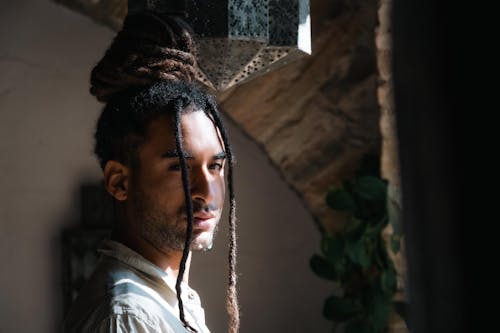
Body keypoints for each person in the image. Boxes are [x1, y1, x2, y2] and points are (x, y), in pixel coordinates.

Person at [64, 11, 239, 333]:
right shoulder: (128, 316)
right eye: (179, 168)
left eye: (215, 166)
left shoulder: (171, 298)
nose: (206, 191)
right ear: (120, 181)